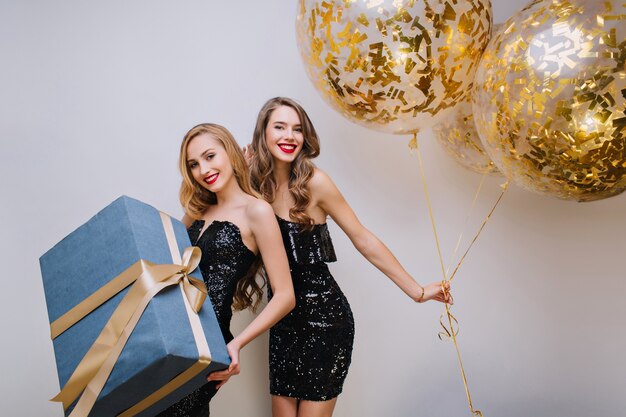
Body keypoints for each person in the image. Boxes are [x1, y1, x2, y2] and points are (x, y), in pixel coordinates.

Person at [245, 97, 451, 417]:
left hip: (326, 321)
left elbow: (363, 238)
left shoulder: (315, 182)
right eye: (280, 127)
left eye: (297, 129)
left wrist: (418, 291)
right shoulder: (255, 187)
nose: (290, 136)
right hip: (283, 325)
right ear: (263, 133)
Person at [158, 123, 296, 417]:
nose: (202, 169)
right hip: (170, 335)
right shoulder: (197, 209)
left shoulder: (256, 211)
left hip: (208, 343)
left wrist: (236, 345)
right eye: (193, 164)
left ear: (230, 153)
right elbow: (166, 261)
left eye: (210, 156)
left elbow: (286, 296)